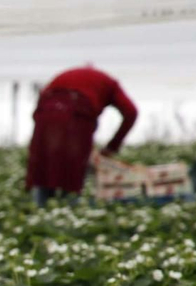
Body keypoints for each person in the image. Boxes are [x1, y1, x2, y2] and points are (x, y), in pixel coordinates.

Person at [26, 65, 138, 205]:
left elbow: (42, 100)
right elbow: (131, 112)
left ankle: (41, 208)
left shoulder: (70, 76)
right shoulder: (110, 84)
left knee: (44, 164)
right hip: (77, 112)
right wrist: (112, 147)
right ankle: (70, 208)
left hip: (46, 111)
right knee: (73, 168)